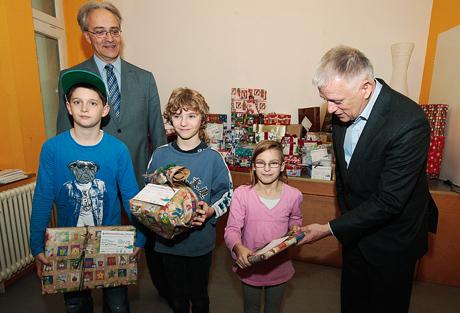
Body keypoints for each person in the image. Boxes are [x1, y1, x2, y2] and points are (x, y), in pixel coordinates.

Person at [299, 45, 438, 313]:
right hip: (355, 233)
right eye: (325, 99)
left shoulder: (409, 121)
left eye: (337, 101)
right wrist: (347, 224)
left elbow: (389, 201)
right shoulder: (343, 110)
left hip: (393, 240)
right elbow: (345, 174)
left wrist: (330, 228)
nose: (329, 109)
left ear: (365, 88)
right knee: (353, 302)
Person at [55, 0, 168, 300]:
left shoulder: (144, 78)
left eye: (115, 30)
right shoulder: (71, 78)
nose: (109, 38)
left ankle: (164, 293)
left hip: (140, 185)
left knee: (144, 251)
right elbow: (62, 137)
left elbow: (158, 135)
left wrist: (163, 183)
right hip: (93, 189)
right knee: (92, 261)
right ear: (86, 36)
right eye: (100, 31)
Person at [30, 69, 146, 313]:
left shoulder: (118, 150)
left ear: (104, 110)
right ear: (68, 107)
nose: (84, 108)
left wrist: (141, 239)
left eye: (92, 102)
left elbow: (131, 199)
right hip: (68, 244)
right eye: (77, 102)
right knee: (76, 305)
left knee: (117, 305)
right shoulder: (52, 149)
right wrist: (37, 245)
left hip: (111, 243)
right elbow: (42, 198)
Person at [146, 87, 233, 313]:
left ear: (202, 119)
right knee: (177, 299)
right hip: (167, 243)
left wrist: (211, 211)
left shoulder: (213, 158)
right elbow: (148, 193)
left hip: (199, 243)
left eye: (191, 116)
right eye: (177, 116)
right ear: (170, 119)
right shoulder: (160, 155)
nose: (184, 122)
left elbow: (227, 193)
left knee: (200, 297)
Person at [224, 140, 303, 313]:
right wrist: (238, 247)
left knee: (273, 309)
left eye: (273, 163)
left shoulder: (294, 195)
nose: (267, 169)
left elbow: (296, 219)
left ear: (282, 166)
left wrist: (296, 228)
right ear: (253, 166)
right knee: (251, 308)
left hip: (279, 266)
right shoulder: (242, 194)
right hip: (250, 265)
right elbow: (232, 229)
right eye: (261, 163)